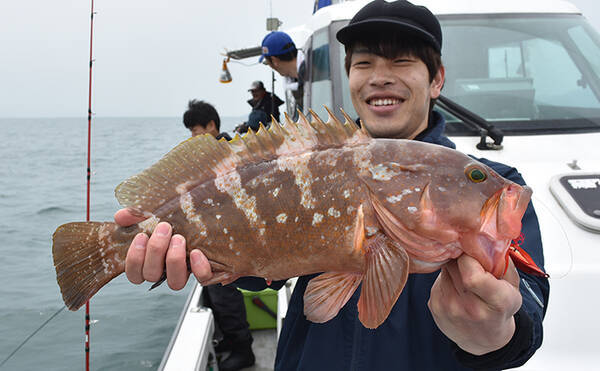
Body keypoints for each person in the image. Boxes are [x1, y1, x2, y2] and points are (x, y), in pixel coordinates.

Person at [114, 1, 549, 370]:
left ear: (436, 79)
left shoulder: (502, 185)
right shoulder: (311, 160)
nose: (380, 76)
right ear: (349, 79)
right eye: (364, 63)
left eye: (402, 61)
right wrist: (218, 265)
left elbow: (528, 304)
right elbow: (271, 271)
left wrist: (496, 333)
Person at [173, 100, 256, 371]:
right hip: (211, 239)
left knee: (225, 294)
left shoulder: (229, 154)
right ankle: (229, 344)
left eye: (196, 131)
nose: (193, 138)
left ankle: (243, 351)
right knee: (212, 292)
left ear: (211, 126)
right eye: (191, 133)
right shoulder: (210, 155)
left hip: (229, 242)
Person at [259, 31, 306, 113]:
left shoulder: (311, 74)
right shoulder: (298, 78)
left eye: (267, 62)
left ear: (274, 61)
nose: (270, 66)